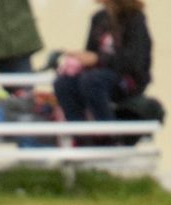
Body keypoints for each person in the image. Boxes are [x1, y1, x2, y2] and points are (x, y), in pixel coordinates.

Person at [53, 0, 151, 129]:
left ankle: (109, 135)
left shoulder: (135, 19)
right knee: (64, 83)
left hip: (128, 80)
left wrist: (98, 59)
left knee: (92, 80)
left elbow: (134, 61)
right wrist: (80, 59)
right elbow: (91, 52)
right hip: (98, 77)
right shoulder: (98, 18)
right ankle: (79, 134)